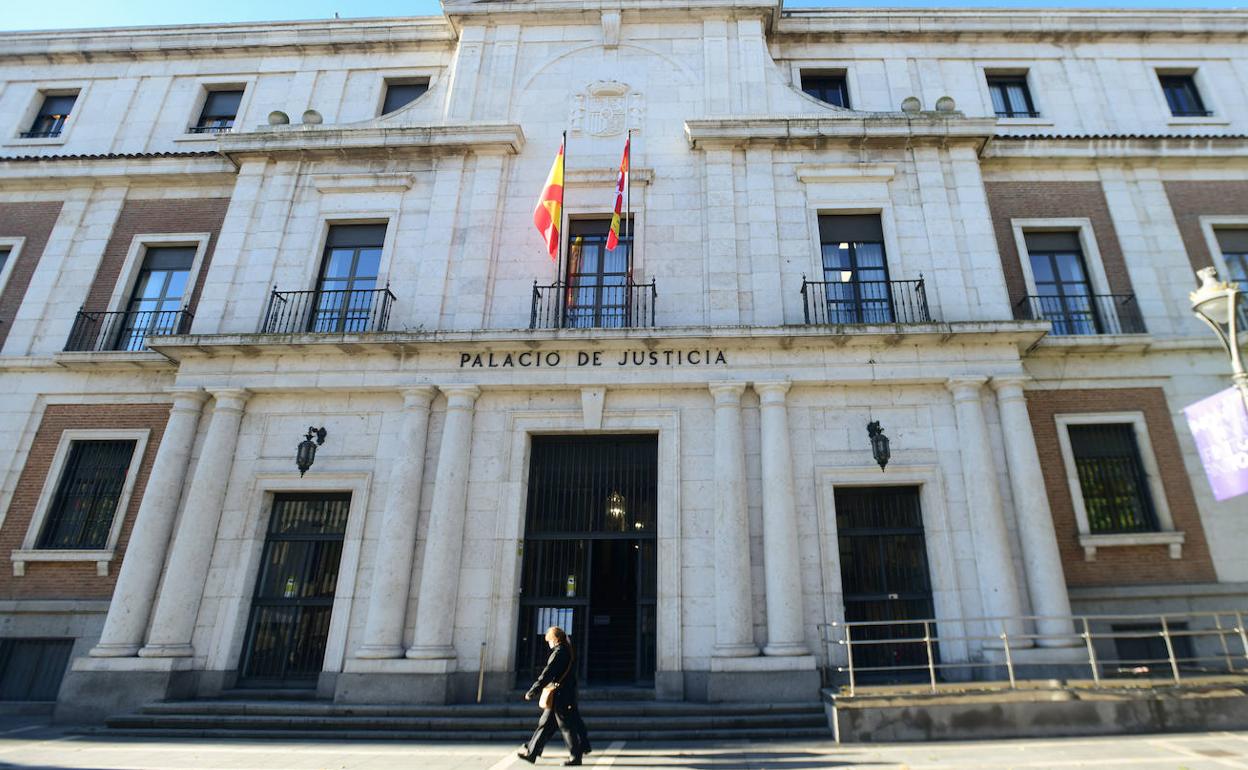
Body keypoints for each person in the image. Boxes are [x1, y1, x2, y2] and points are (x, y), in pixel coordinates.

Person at [517, 626, 592, 766]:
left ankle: (576, 757)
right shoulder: (568, 650)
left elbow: (547, 673)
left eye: (549, 640)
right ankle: (532, 752)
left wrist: (533, 690)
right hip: (563, 694)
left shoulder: (559, 653)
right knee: (545, 724)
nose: (548, 643)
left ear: (555, 639)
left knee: (566, 726)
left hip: (561, 695)